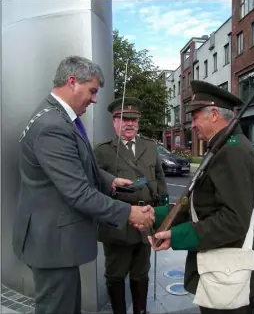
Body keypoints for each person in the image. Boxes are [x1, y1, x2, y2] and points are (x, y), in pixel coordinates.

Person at [12, 56, 154, 314]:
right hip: (52, 244)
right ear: (72, 82)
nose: (95, 99)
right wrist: (129, 212)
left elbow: (78, 164)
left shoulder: (57, 117)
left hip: (55, 240)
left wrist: (109, 181)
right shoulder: (52, 126)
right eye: (92, 91)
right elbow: (78, 192)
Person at [149, 80, 254, 314]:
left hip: (228, 277)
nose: (192, 125)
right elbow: (202, 204)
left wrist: (178, 235)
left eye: (195, 117)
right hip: (221, 271)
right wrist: (155, 214)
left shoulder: (233, 152)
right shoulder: (222, 146)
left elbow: (234, 221)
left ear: (213, 114)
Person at [93, 97, 168, 314]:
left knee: (141, 271)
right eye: (123, 119)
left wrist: (161, 221)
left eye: (134, 119)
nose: (129, 124)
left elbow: (161, 184)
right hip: (118, 223)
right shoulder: (103, 151)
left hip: (146, 220)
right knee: (116, 273)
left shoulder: (150, 147)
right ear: (114, 122)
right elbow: (94, 186)